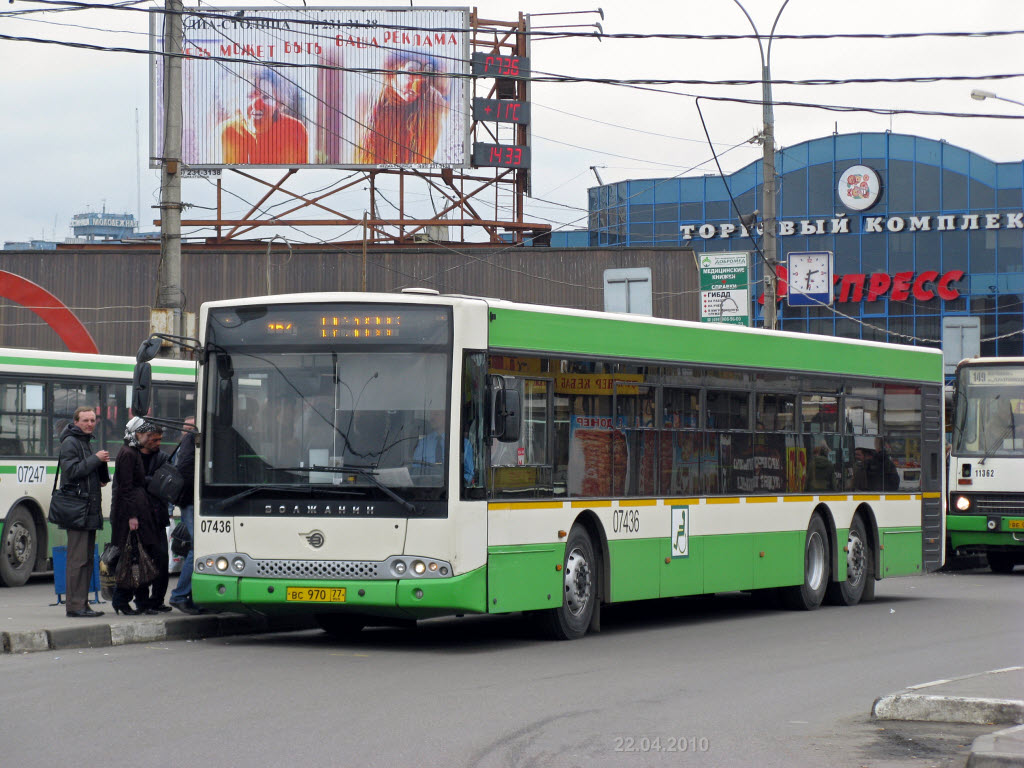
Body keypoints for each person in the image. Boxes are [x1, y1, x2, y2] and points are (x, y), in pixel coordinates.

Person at [110, 418, 172, 615]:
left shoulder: (132, 452)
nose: (149, 440)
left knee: (139, 557)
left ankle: (139, 601)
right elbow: (126, 488)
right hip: (134, 513)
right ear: (137, 434)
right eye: (147, 436)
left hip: (141, 511)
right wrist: (132, 516)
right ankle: (124, 600)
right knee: (133, 557)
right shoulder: (128, 454)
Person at [56, 407, 110, 618]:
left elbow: (85, 473)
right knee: (77, 560)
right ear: (76, 421)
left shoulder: (84, 442)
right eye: (86, 420)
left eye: (93, 420)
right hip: (77, 510)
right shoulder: (70, 442)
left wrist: (100, 475)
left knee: (87, 559)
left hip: (88, 509)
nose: (90, 424)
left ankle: (83, 603)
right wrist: (95, 459)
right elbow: (72, 471)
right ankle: (75, 606)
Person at [355, 54, 448, 165]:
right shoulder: (368, 104)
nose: (418, 83)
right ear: (393, 71)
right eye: (411, 72)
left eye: (425, 74)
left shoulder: (435, 104)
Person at [220, 67, 308, 164]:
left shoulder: (296, 129)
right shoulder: (226, 132)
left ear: (277, 102)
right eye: (249, 97)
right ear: (236, 100)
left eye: (266, 97)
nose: (256, 105)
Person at [169, 417, 204, 614]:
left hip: (193, 501)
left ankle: (191, 596)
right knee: (196, 546)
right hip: (192, 501)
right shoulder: (191, 439)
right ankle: (180, 595)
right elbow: (185, 470)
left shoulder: (192, 439)